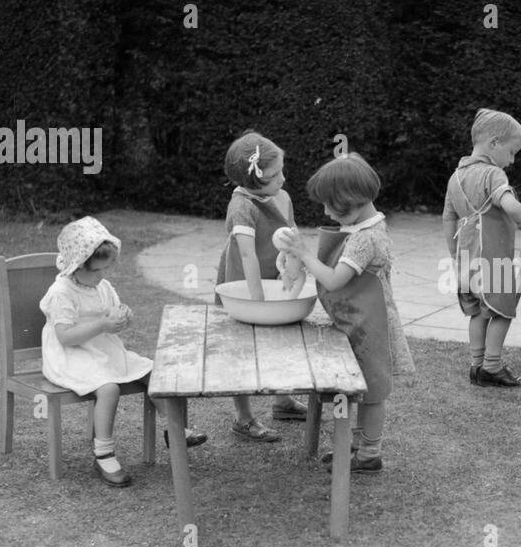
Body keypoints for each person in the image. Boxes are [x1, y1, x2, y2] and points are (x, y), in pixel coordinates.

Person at [40, 217, 206, 488]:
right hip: (71, 356)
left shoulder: (101, 286)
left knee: (154, 372)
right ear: (76, 267)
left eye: (105, 270)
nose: (101, 277)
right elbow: (65, 337)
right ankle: (103, 452)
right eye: (96, 272)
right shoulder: (61, 292)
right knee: (108, 389)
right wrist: (103, 324)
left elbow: (112, 318)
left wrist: (121, 317)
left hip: (104, 350)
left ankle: (174, 431)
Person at [274, 153, 414, 472]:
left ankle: (369, 455)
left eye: (329, 205)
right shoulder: (367, 226)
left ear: (349, 201)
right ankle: (355, 445)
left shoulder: (365, 239)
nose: (325, 212)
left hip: (372, 327)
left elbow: (335, 280)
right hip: (360, 322)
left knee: (373, 393)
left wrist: (305, 255)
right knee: (358, 388)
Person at [442, 108, 521, 387]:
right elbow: (510, 205)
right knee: (502, 309)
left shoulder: (456, 176)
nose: (512, 160)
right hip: (492, 259)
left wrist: (454, 254)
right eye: (512, 152)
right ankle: (492, 366)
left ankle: (476, 365)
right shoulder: (493, 174)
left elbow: (448, 217)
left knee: (478, 311)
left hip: (466, 259)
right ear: (493, 144)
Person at [215, 130, 308, 439]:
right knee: (240, 349)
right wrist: (257, 303)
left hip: (274, 276)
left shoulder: (282, 196)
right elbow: (247, 255)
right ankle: (243, 418)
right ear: (253, 181)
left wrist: (294, 270)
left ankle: (282, 401)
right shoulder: (242, 206)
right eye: (273, 176)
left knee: (281, 342)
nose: (282, 178)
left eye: (282, 170)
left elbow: (293, 239)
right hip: (244, 282)